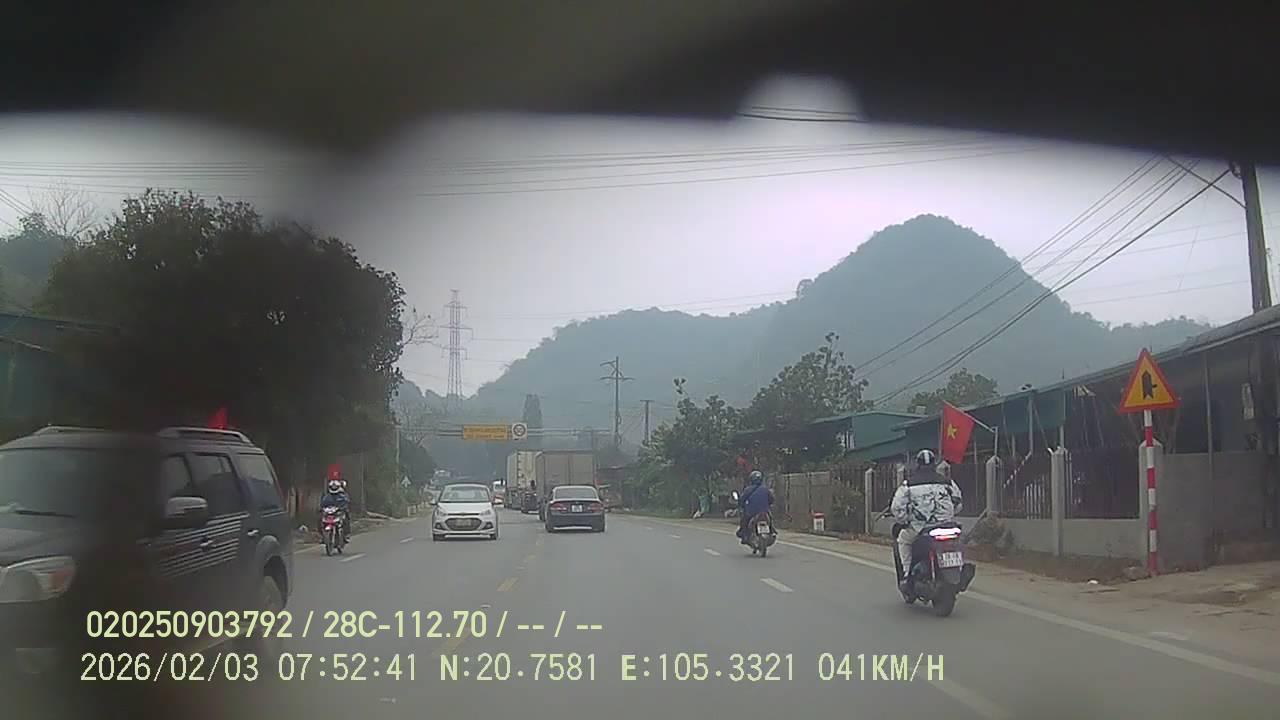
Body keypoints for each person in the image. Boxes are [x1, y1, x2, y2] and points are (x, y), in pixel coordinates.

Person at [890, 449, 963, 594]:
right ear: (934, 464)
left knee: (903, 540)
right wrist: (948, 516)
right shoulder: (947, 482)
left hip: (920, 528)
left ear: (918, 464)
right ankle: (959, 569)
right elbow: (958, 503)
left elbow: (897, 508)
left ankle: (906, 574)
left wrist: (905, 520)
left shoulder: (909, 485)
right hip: (947, 525)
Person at [736, 470, 774, 544]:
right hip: (765, 511)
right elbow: (771, 499)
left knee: (744, 520)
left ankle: (744, 534)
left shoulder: (748, 490)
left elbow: (742, 500)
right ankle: (772, 530)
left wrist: (741, 505)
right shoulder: (765, 489)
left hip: (752, 512)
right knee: (770, 518)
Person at [319, 477, 351, 545]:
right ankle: (323, 536)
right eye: (332, 487)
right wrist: (321, 508)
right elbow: (322, 503)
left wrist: (343, 508)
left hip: (339, 513)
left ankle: (346, 535)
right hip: (329, 513)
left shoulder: (342, 495)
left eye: (335, 487)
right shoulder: (327, 496)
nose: (334, 488)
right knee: (320, 520)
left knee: (346, 519)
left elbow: (346, 502)